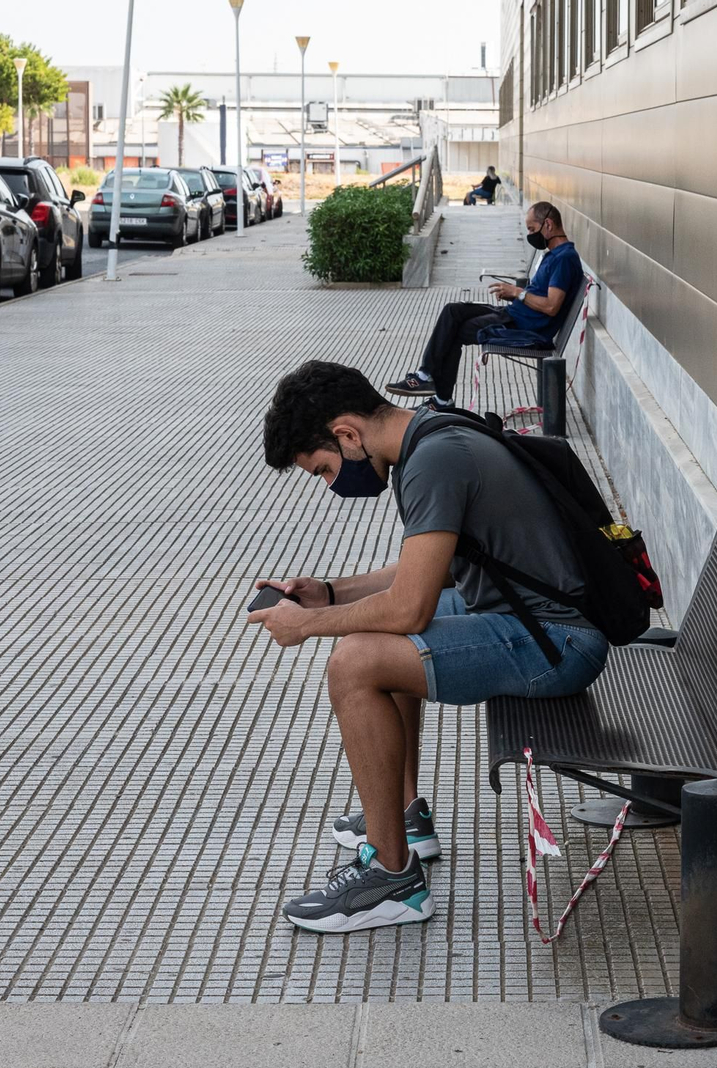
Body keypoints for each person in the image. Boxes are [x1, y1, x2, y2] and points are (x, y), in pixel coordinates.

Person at [252, 361, 608, 933]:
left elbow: (408, 607)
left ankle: (393, 878)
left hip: (558, 642)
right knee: (373, 635)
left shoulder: (433, 462)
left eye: (322, 469)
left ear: (347, 434)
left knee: (355, 661)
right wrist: (329, 593)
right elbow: (425, 574)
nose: (328, 482)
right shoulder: (430, 431)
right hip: (532, 618)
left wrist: (308, 626)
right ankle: (405, 820)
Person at [384, 201, 579, 407]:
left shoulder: (564, 259)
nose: (530, 234)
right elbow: (540, 297)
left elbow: (551, 306)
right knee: (453, 311)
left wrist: (518, 293)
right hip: (514, 315)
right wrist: (514, 296)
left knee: (455, 331)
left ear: (548, 224)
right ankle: (426, 376)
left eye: (532, 229)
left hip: (524, 328)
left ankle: (438, 395)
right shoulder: (554, 255)